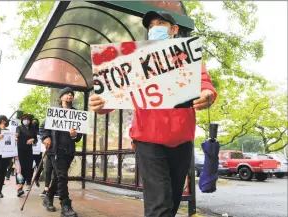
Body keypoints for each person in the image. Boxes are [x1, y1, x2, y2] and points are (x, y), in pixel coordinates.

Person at [89, 11, 218, 217]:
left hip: (182, 138)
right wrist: (101, 103)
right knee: (160, 204)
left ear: (174, 29)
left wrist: (208, 93)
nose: (154, 28)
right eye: (150, 26)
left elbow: (204, 82)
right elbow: (115, 92)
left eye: (160, 23)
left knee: (173, 201)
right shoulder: (136, 59)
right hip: (148, 139)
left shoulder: (187, 56)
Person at [40, 87, 82, 216]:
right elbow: (43, 128)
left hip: (68, 152)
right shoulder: (54, 112)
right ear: (61, 97)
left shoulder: (77, 114)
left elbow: (79, 137)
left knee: (58, 177)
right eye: (67, 93)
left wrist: (75, 134)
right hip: (55, 151)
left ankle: (48, 198)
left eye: (72, 94)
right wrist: (46, 137)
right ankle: (65, 205)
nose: (70, 95)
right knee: (62, 177)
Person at [15, 114, 38, 197]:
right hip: (20, 151)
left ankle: (23, 184)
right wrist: (16, 136)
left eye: (28, 119)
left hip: (29, 151)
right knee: (19, 170)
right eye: (24, 119)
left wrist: (33, 139)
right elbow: (16, 134)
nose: (26, 120)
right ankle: (19, 188)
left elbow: (36, 139)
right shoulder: (19, 128)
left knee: (27, 169)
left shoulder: (32, 129)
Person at [30, 117, 43, 188]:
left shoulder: (40, 131)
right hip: (30, 152)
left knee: (40, 167)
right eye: (33, 122)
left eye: (36, 122)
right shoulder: (29, 130)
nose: (34, 123)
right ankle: (29, 181)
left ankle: (36, 179)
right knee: (30, 168)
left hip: (38, 153)